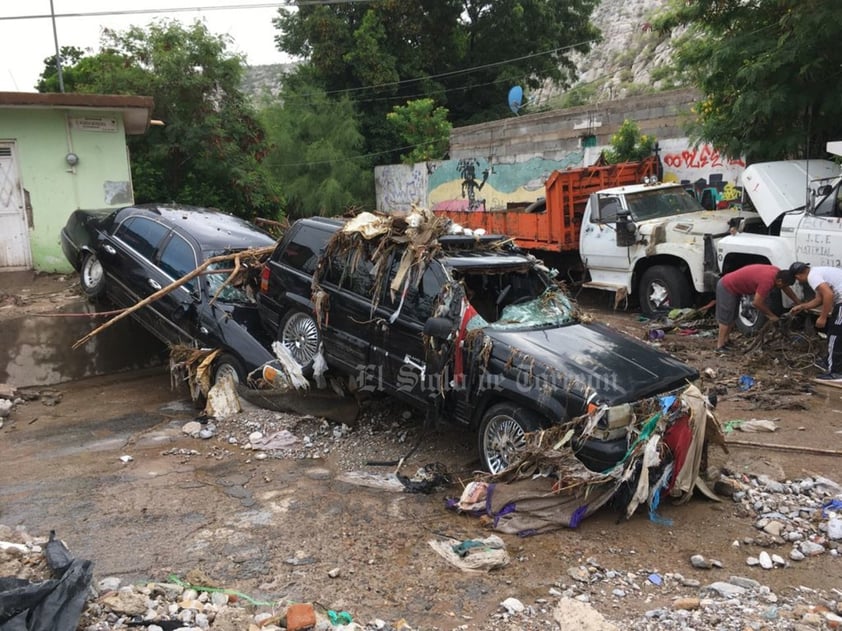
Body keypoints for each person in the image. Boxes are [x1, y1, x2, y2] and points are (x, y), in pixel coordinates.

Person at [714, 264, 799, 352]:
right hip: (727, 286)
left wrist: (799, 303)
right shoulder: (767, 281)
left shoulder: (778, 273)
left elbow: (786, 288)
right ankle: (720, 345)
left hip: (735, 288)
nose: (783, 287)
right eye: (783, 285)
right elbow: (757, 303)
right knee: (726, 318)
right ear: (779, 281)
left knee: (733, 316)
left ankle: (726, 341)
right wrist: (771, 315)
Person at [789, 262, 842, 380]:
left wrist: (823, 317)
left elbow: (828, 294)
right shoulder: (817, 271)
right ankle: (829, 361)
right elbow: (819, 299)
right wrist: (802, 306)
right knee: (835, 333)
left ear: (798, 276)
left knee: (835, 335)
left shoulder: (812, 276)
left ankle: (835, 371)